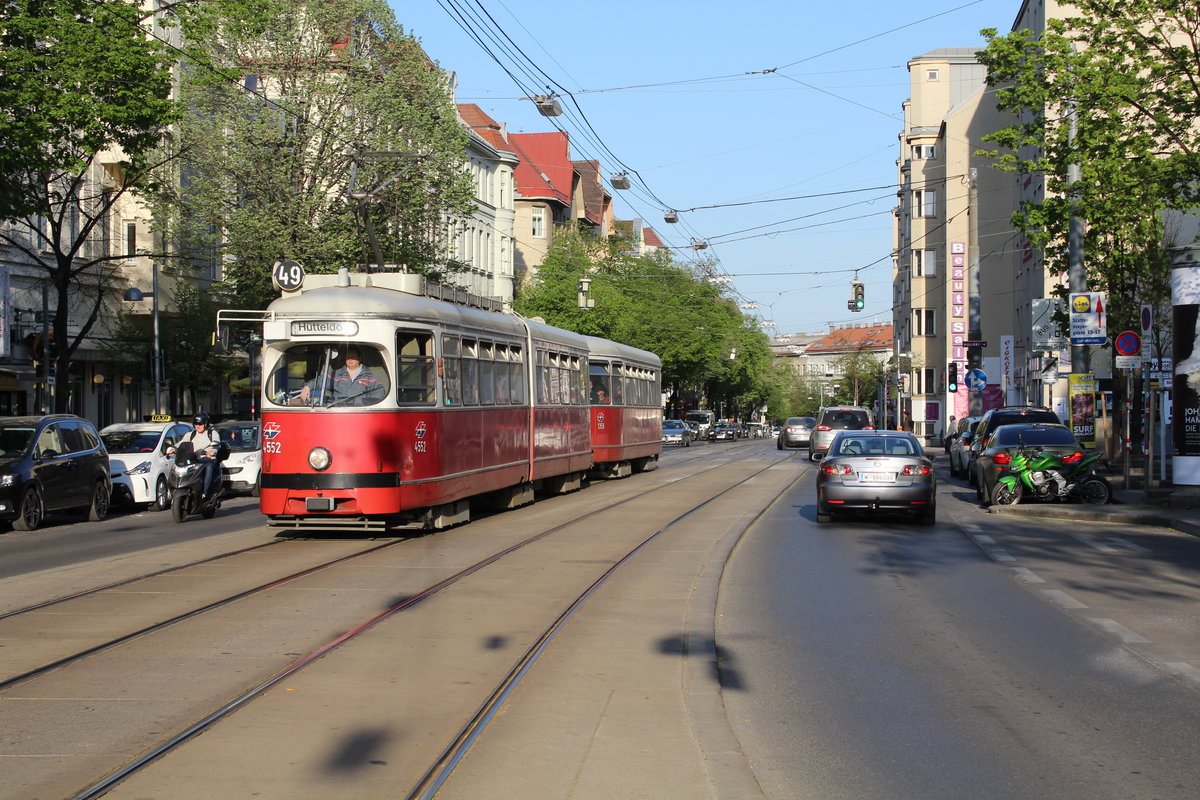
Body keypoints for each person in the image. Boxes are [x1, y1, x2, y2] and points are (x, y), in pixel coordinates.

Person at [299, 347, 385, 406]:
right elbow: (321, 381)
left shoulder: (370, 377)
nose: (350, 360)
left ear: (360, 358)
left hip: (360, 414)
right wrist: (308, 386)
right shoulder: (336, 375)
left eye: (353, 357)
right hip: (338, 413)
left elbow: (380, 394)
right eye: (348, 357)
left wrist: (364, 403)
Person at [167, 412, 224, 499]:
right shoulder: (191, 434)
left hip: (207, 459)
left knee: (208, 467)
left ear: (205, 424)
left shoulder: (212, 433)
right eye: (196, 424)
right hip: (193, 459)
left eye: (200, 424)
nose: (198, 426)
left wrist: (212, 451)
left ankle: (205, 492)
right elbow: (181, 443)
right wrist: (173, 449)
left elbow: (216, 444)